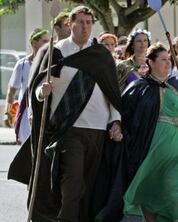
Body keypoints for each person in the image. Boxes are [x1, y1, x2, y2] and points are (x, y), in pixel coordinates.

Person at [8, 6, 122, 222]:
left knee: (87, 184)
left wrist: (115, 120)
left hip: (97, 129)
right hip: (66, 128)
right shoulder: (56, 51)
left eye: (89, 23)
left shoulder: (100, 55)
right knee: (73, 181)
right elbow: (38, 87)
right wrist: (42, 92)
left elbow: (112, 91)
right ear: (70, 24)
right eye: (80, 22)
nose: (85, 27)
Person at [97, 42, 178, 222]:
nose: (168, 63)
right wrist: (117, 125)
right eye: (163, 59)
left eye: (169, 59)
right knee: (150, 196)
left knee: (176, 193)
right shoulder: (140, 87)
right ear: (151, 62)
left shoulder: (175, 87)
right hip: (152, 154)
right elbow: (126, 114)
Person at [3, 28, 49, 144]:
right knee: (26, 146)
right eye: (44, 41)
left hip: (44, 112)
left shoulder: (50, 64)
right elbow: (12, 91)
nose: (48, 44)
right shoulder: (22, 64)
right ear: (34, 43)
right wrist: (7, 112)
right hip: (25, 113)